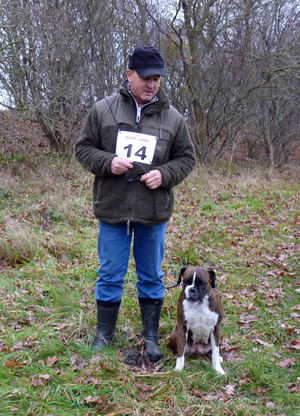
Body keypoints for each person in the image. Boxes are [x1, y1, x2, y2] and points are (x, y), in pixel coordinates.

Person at [75, 46, 196, 362]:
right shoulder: (103, 110)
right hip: (113, 209)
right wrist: (107, 162)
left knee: (152, 276)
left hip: (153, 213)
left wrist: (164, 174)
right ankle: (104, 335)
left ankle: (152, 338)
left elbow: (187, 158)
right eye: (146, 77)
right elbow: (83, 149)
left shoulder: (173, 118)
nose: (152, 84)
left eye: (157, 78)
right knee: (110, 274)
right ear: (129, 74)